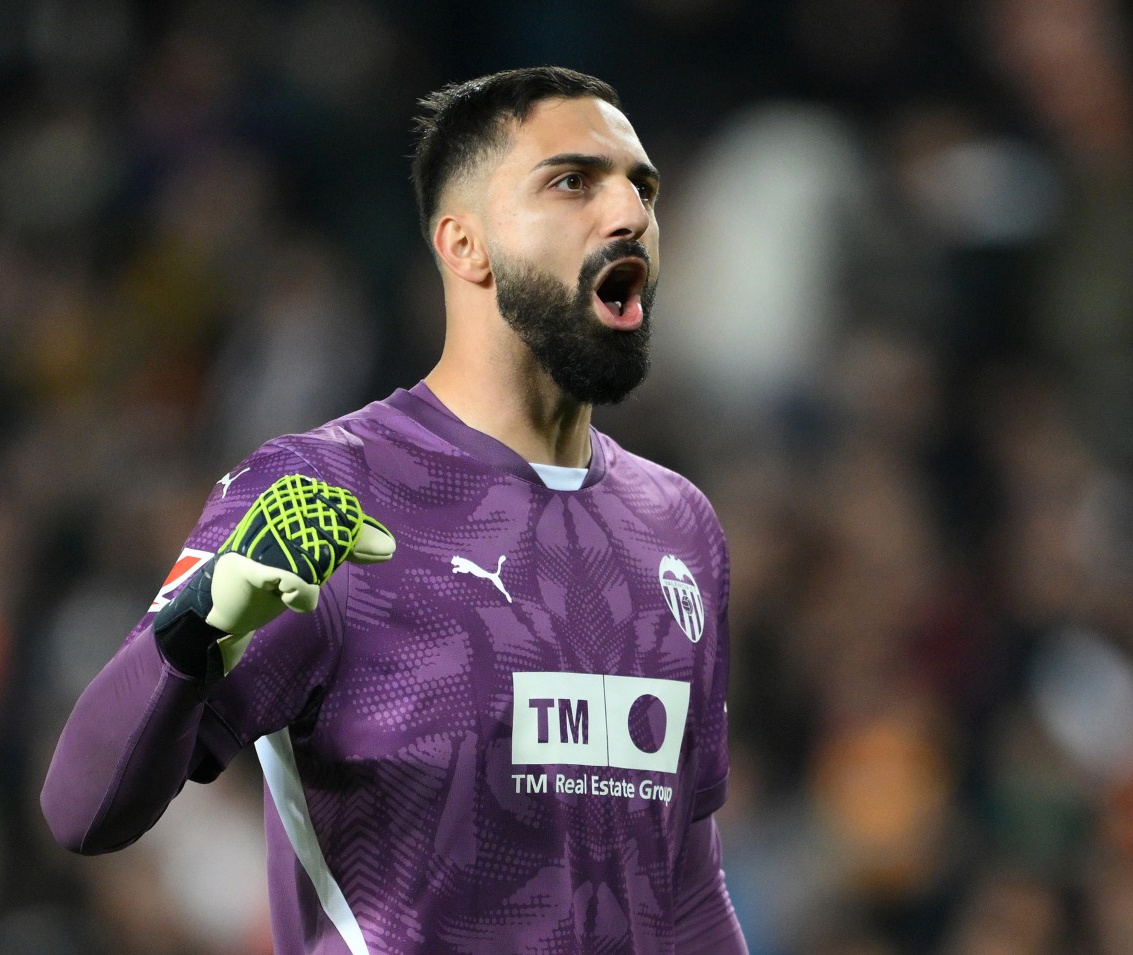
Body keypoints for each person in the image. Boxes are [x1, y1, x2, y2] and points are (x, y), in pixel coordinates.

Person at [42, 66, 748, 955]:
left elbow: (684, 890)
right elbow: (82, 810)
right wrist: (202, 625)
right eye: (573, 181)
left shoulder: (678, 524)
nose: (628, 212)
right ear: (466, 245)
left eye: (640, 186)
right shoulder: (322, 494)